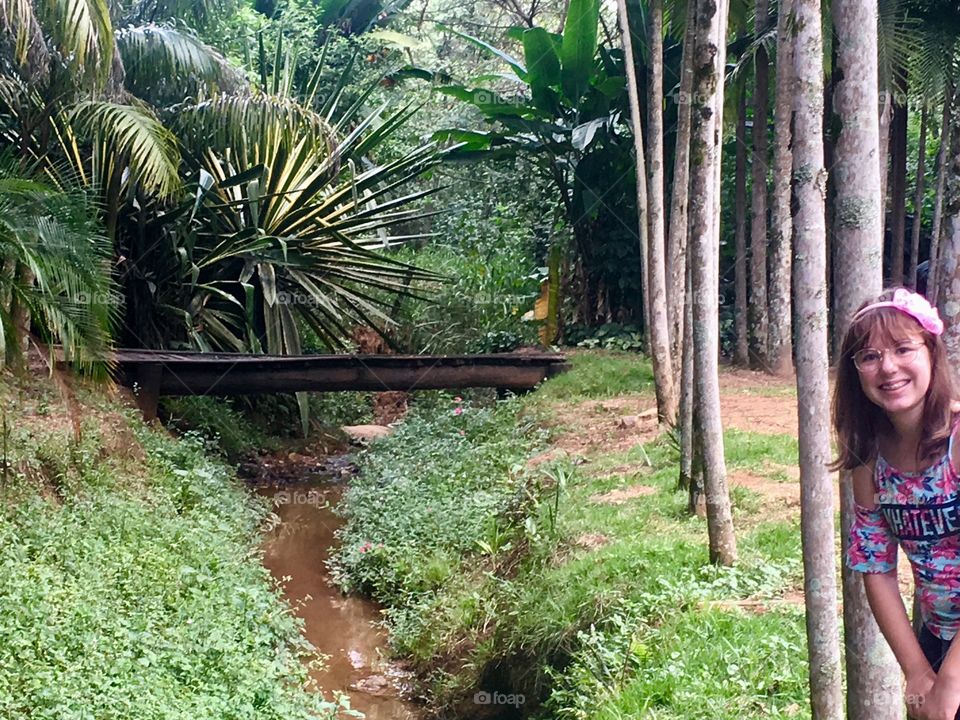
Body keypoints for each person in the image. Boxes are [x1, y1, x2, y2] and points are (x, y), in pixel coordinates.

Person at [837, 287, 960, 720]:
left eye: (903, 348)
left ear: (931, 352)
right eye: (869, 357)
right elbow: (876, 568)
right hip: (937, 638)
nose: (887, 367)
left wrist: (951, 680)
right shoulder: (869, 462)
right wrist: (917, 671)